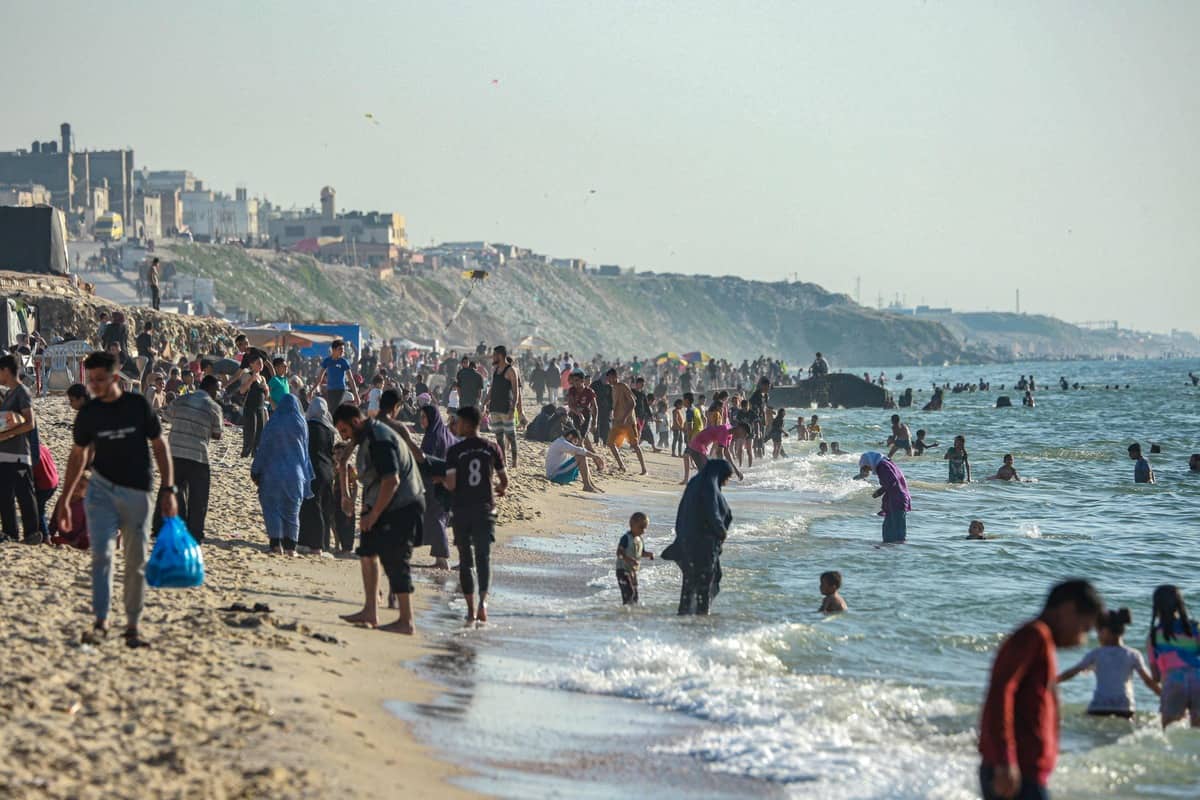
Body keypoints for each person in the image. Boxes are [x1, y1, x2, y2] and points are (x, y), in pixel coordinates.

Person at [56, 350, 178, 648]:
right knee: (102, 555)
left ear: (114, 376)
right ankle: (101, 621)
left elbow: (160, 446)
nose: (94, 385)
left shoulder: (137, 405)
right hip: (101, 490)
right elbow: (78, 455)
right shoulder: (89, 413)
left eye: (100, 379)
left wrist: (169, 489)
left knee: (136, 560)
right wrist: (66, 498)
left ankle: (132, 626)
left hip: (138, 491)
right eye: (91, 380)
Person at [978, 580, 1103, 800]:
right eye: (1084, 628)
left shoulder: (1040, 639)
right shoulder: (1034, 635)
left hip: (1024, 771)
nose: (1082, 640)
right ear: (1067, 610)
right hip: (1017, 772)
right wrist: (1005, 760)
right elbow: (1001, 692)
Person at [334, 403, 425, 633]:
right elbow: (345, 460)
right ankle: (370, 611)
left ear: (355, 422)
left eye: (344, 431)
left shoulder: (378, 439)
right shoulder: (364, 434)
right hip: (383, 502)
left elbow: (391, 480)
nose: (344, 438)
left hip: (405, 503)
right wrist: (346, 496)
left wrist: (373, 515)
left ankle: (406, 621)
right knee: (367, 551)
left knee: (396, 559)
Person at [443, 406, 508, 624]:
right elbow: (504, 481)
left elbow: (451, 484)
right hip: (484, 509)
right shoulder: (492, 448)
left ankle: (470, 609)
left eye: (459, 422)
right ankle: (483, 605)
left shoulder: (454, 451)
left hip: (462, 510)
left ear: (469, 424)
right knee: (483, 557)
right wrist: (499, 488)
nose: (456, 426)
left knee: (465, 560)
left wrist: (440, 481)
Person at [1057, 608, 1158, 719]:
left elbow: (1073, 671)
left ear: (1105, 631)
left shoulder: (1096, 654)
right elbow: (1148, 681)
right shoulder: (1133, 654)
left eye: (1098, 632)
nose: (1098, 636)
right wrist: (1163, 695)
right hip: (1125, 708)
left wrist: (1053, 681)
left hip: (1099, 707)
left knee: (1075, 719)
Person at [662, 460, 733, 615]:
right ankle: (701, 620)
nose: (726, 483)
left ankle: (684, 617)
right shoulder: (709, 488)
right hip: (703, 547)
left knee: (689, 584)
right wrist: (722, 532)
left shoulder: (695, 483)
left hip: (687, 543)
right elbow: (713, 514)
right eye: (726, 478)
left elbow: (682, 515)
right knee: (704, 586)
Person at [160, 375, 222, 542]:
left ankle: (175, 527)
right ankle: (195, 532)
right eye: (217, 389)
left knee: (175, 492)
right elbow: (217, 434)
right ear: (210, 389)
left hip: (174, 453)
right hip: (198, 456)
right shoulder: (214, 407)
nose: (218, 393)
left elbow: (166, 417)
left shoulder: (181, 399)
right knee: (198, 497)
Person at [251, 394, 314, 556]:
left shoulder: (273, 423)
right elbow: (305, 453)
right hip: (296, 475)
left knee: (272, 509)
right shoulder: (302, 424)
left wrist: (256, 470)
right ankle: (291, 548)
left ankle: (276, 545)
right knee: (292, 512)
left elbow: (263, 448)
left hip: (273, 474)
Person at [0, 354, 41, 544]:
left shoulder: (22, 392)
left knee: (25, 495)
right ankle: (11, 534)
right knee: (5, 496)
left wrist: (6, 435)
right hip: (5, 454)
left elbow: (30, 423)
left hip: (18, 455)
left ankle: (32, 534)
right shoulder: (8, 394)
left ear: (6, 371)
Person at [1147, 584, 1200, 728]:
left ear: (1157, 608)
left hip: (1173, 683)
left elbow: (1156, 676)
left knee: (1169, 732)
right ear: (1180, 605)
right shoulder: (1195, 628)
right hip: (1198, 681)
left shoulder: (1154, 636)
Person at [299, 397, 337, 556]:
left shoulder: (306, 427)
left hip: (311, 471)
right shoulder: (329, 430)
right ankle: (324, 543)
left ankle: (311, 544)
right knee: (324, 509)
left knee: (310, 507)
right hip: (327, 472)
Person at [418, 404, 454, 570]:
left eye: (424, 417)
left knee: (436, 518)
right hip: (445, 483)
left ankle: (442, 559)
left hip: (436, 484)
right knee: (438, 518)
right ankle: (439, 557)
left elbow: (426, 461)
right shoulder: (444, 434)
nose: (421, 420)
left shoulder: (433, 436)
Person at [858, 452, 911, 543]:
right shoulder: (887, 464)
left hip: (897, 499)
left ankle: (898, 551)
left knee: (896, 530)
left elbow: (892, 481)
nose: (869, 470)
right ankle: (892, 552)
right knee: (890, 529)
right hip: (896, 498)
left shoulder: (882, 466)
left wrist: (880, 491)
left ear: (870, 461)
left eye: (867, 466)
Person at [486, 346, 522, 468]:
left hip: (507, 408)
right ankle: (504, 460)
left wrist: (514, 408)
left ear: (500, 355)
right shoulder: (495, 370)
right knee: (499, 437)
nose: (493, 357)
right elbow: (492, 388)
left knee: (511, 436)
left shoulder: (511, 370)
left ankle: (515, 461)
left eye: (494, 355)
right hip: (494, 407)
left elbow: (516, 391)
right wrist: (485, 402)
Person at [606, 369, 647, 475]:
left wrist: (624, 417)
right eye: (608, 378)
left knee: (635, 445)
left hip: (628, 421)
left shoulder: (623, 386)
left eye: (610, 378)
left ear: (615, 376)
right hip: (617, 422)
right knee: (610, 443)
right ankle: (621, 466)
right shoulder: (613, 388)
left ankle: (644, 469)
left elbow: (633, 403)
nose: (609, 380)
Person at [683, 422, 748, 483]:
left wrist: (736, 471)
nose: (741, 437)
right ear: (740, 428)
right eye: (743, 434)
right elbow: (719, 452)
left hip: (701, 447)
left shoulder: (729, 433)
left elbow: (727, 453)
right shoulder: (725, 431)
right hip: (697, 446)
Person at [546, 427, 604, 492]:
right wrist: (596, 456)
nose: (575, 444)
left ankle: (590, 484)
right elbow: (578, 450)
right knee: (581, 457)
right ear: (570, 436)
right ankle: (587, 485)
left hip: (557, 472)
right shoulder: (562, 443)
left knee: (581, 455)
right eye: (575, 441)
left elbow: (578, 450)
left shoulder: (561, 441)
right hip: (554, 476)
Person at [615, 512, 654, 605]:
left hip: (632, 572)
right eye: (641, 527)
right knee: (629, 593)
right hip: (622, 571)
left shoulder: (640, 540)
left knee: (635, 596)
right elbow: (619, 553)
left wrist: (649, 554)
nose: (643, 531)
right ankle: (625, 611)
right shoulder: (626, 538)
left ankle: (631, 614)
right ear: (632, 525)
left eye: (645, 528)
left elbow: (641, 553)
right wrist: (629, 559)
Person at [237, 354, 268, 458]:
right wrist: (251, 380)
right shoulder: (247, 375)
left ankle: (256, 454)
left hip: (260, 408)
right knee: (250, 432)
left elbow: (266, 396)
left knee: (260, 432)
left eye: (262, 363)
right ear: (251, 364)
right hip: (250, 407)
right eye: (258, 363)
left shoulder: (263, 378)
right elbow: (242, 390)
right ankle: (245, 454)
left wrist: (266, 389)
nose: (261, 365)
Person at [315, 340, 360, 411]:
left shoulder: (344, 362)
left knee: (334, 409)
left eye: (343, 349)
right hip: (330, 390)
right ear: (333, 350)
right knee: (331, 410)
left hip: (340, 389)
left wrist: (356, 395)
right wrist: (312, 390)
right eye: (340, 349)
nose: (343, 351)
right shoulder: (327, 361)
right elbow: (320, 377)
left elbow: (351, 379)